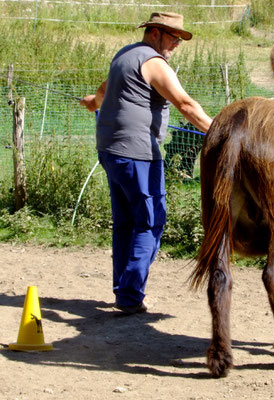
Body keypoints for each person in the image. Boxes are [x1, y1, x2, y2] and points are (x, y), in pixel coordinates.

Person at [80, 12, 213, 314]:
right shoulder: (154, 63)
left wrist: (93, 103)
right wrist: (220, 130)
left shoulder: (123, 56)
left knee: (126, 223)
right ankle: (129, 295)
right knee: (151, 222)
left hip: (110, 151)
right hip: (137, 153)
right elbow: (185, 104)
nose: (177, 44)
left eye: (179, 39)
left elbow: (103, 89)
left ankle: (123, 291)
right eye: (173, 37)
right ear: (154, 33)